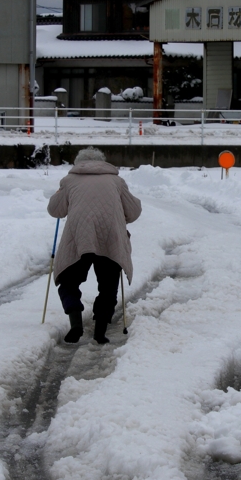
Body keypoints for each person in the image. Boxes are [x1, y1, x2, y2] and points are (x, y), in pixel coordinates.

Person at [47, 147, 141, 344]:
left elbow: (55, 210)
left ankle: (75, 324)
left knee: (69, 281)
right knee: (108, 286)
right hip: (110, 238)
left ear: (78, 163)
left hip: (78, 238)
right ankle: (100, 331)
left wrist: (60, 193)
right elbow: (133, 212)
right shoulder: (117, 181)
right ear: (103, 162)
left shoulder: (69, 180)